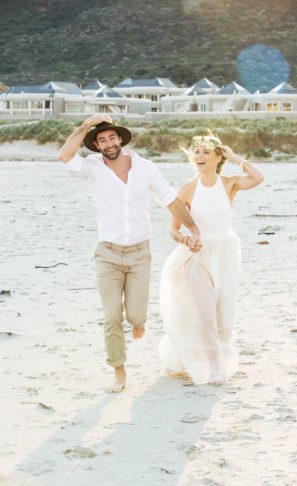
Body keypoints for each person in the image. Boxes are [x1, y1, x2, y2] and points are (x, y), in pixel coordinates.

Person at [59, 114, 201, 393]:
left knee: (135, 316)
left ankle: (137, 320)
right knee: (112, 316)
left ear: (121, 139)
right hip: (108, 255)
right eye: (102, 140)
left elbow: (170, 200)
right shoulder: (92, 168)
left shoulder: (145, 168)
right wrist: (87, 124)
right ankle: (119, 371)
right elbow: (65, 155)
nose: (108, 143)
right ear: (97, 146)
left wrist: (193, 228)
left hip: (139, 255)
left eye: (112, 137)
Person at [159, 132, 264, 385]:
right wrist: (187, 240)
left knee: (224, 318)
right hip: (197, 256)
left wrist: (234, 156)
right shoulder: (186, 189)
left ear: (219, 156)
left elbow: (258, 177)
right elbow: (174, 230)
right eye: (197, 152)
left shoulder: (229, 184)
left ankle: (216, 358)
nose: (200, 156)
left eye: (207, 152)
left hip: (226, 253)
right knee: (205, 315)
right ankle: (216, 368)